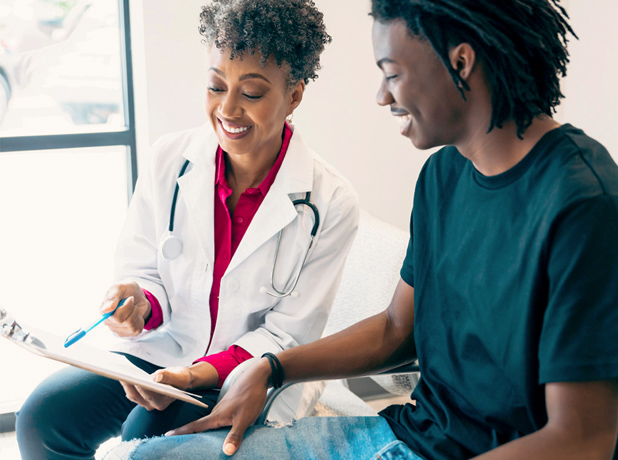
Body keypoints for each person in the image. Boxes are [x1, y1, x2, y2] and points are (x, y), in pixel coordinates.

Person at [107, 0, 618, 459]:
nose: (382, 96)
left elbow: (581, 441)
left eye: (392, 74)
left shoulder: (586, 208)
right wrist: (271, 369)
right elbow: (398, 329)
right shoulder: (444, 176)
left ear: (461, 62)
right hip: (405, 437)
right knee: (153, 456)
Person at [15, 0, 360, 458]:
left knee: (145, 435)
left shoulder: (331, 203)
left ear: (294, 96)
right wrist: (139, 304)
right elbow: (143, 269)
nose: (228, 109)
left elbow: (287, 335)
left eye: (251, 93)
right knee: (42, 419)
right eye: (216, 86)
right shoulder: (169, 159)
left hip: (247, 373)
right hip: (163, 353)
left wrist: (193, 375)